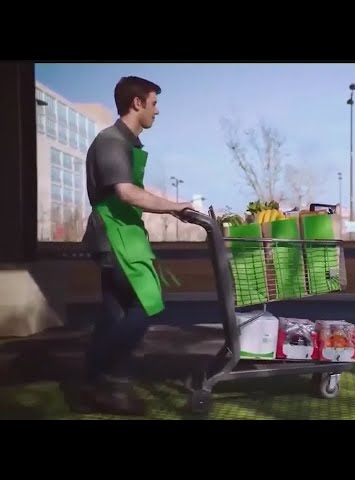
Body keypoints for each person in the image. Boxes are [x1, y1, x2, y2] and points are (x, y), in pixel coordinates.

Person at [78, 76, 192, 415]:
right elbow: (126, 193)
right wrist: (175, 206)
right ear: (137, 103)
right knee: (145, 303)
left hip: (122, 236)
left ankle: (93, 386)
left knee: (113, 314)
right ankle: (108, 380)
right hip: (115, 237)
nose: (157, 110)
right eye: (154, 103)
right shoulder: (111, 142)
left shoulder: (124, 142)